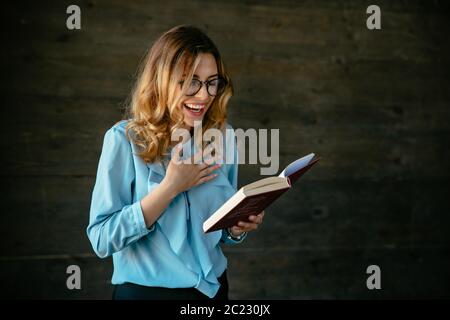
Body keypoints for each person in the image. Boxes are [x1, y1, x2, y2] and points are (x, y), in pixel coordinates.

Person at [87, 25, 265, 300]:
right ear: (162, 80)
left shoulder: (224, 137)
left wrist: (235, 227)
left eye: (211, 82)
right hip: (145, 295)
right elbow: (101, 239)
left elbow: (220, 231)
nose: (205, 95)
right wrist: (170, 187)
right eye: (191, 81)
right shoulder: (123, 139)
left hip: (213, 292)